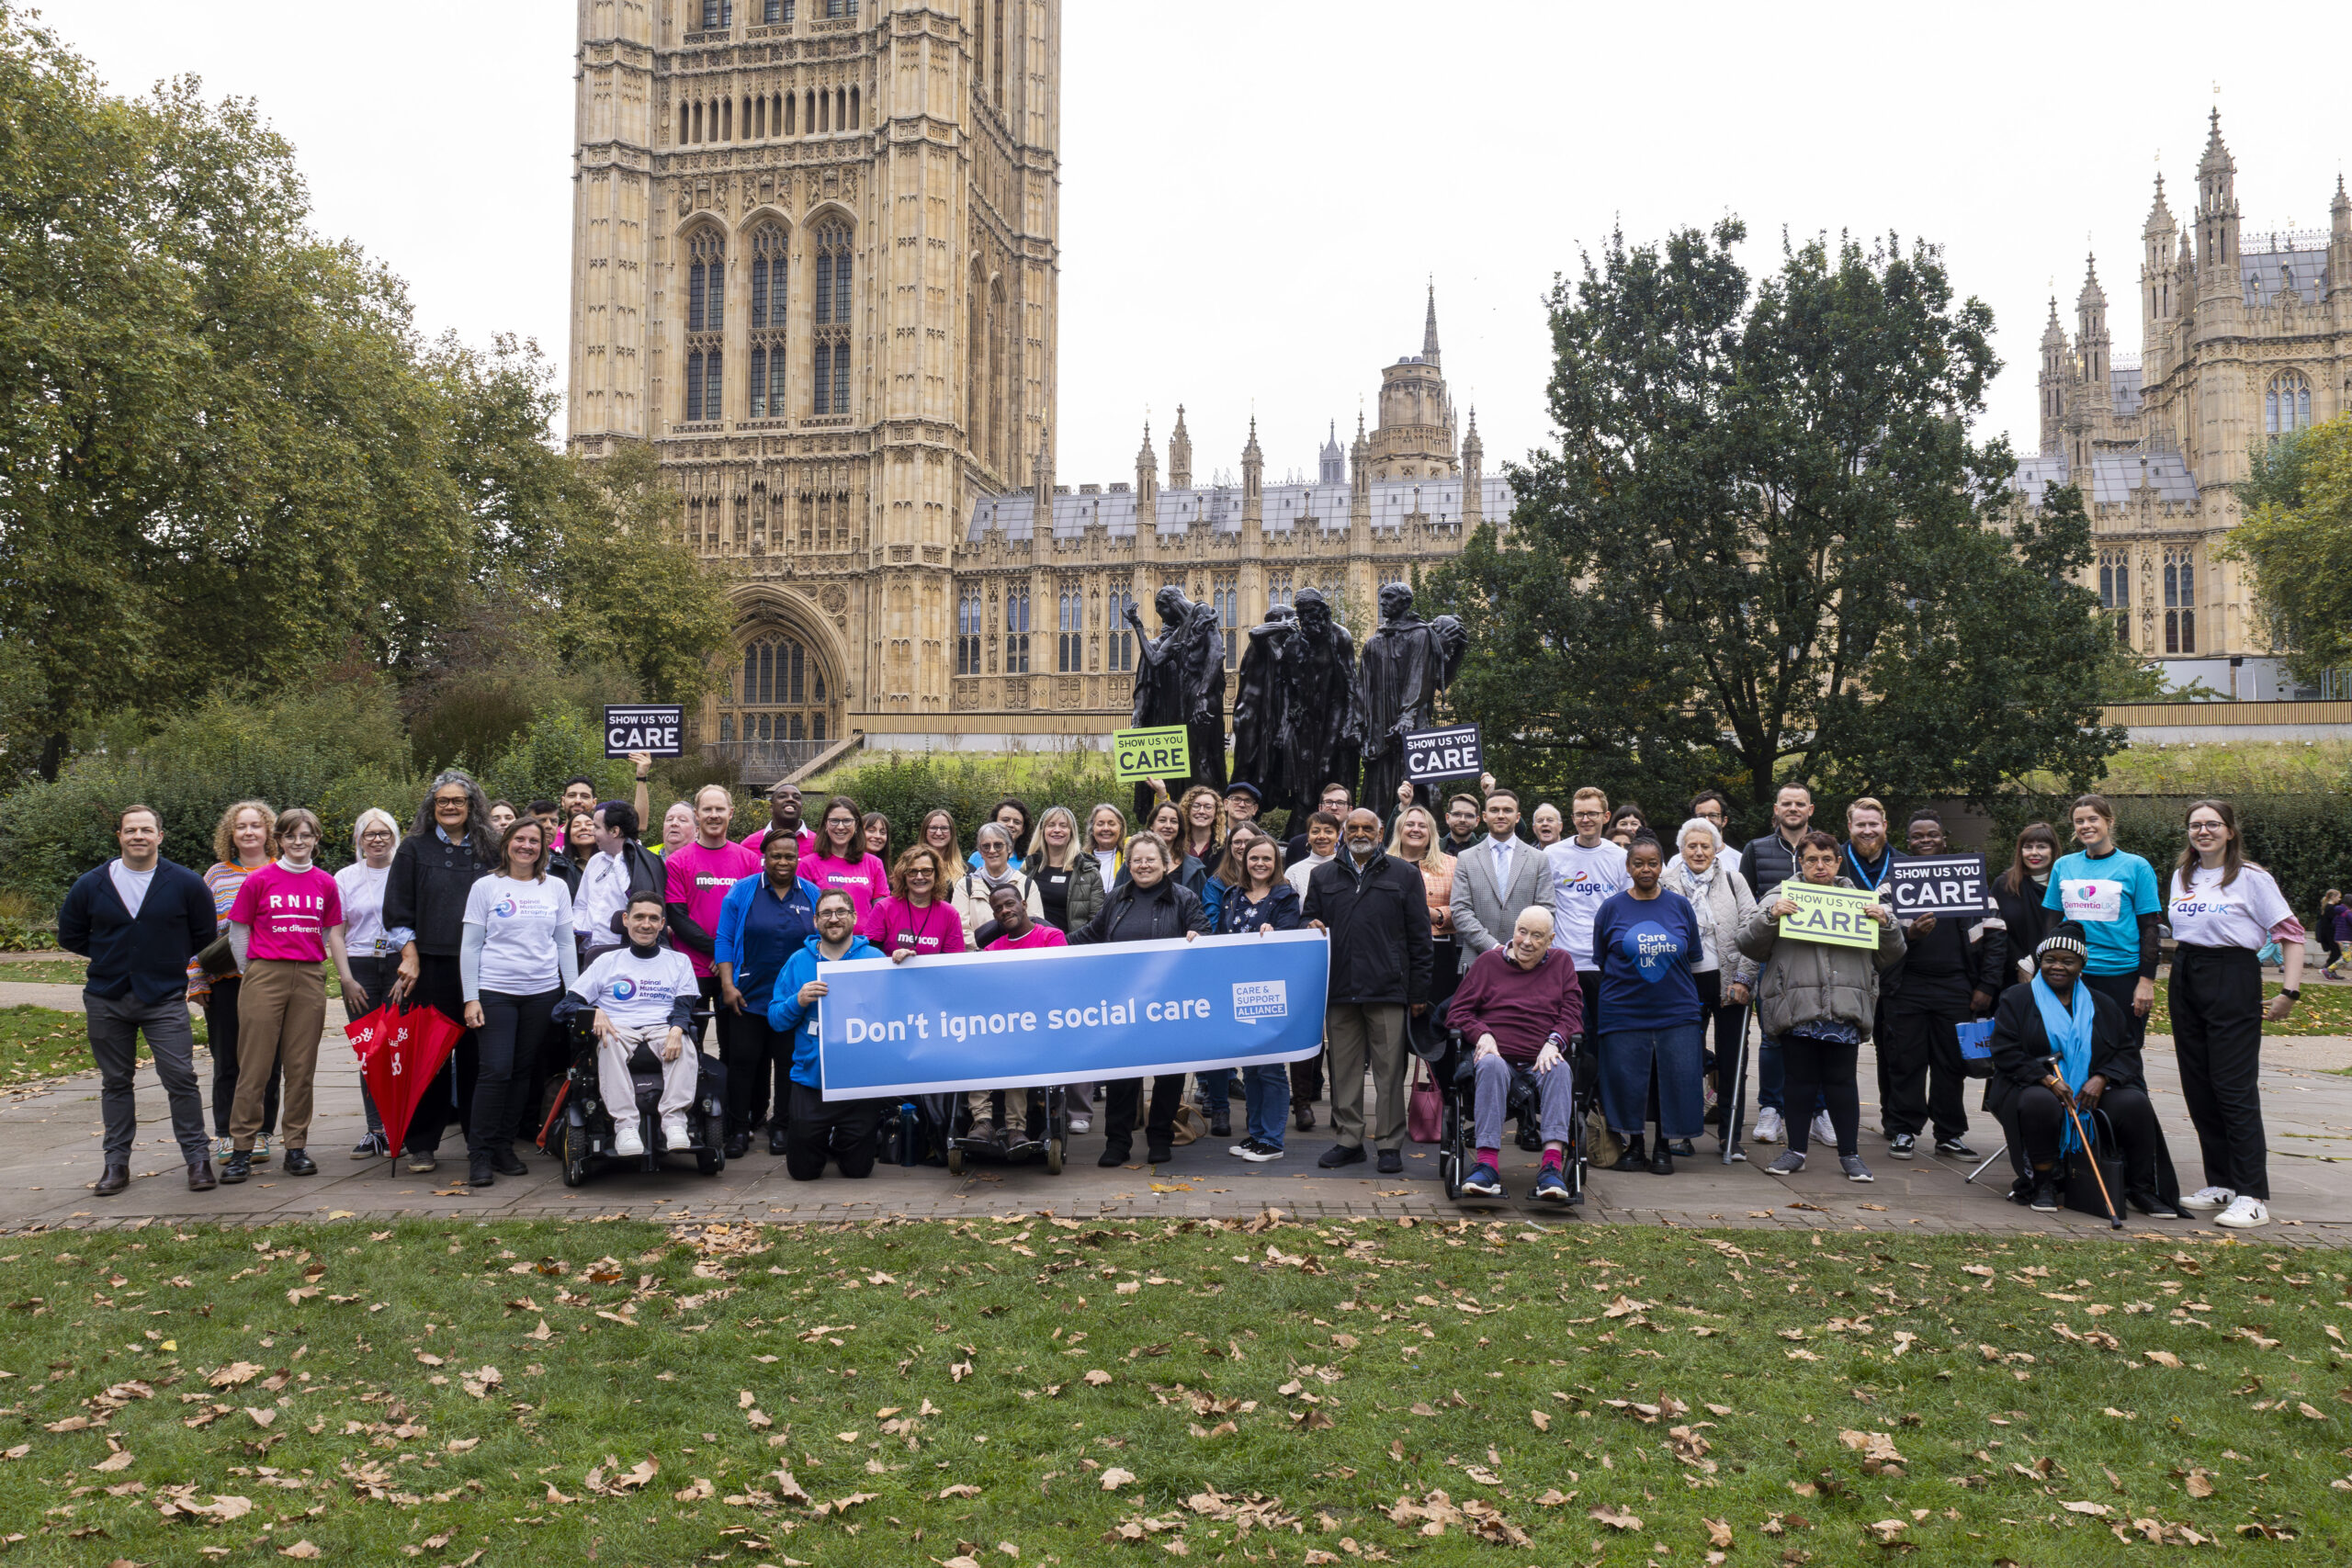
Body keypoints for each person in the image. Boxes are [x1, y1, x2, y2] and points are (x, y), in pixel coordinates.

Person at [59, 805, 220, 1195]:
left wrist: (164, 960)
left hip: (163, 998)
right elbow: (71, 935)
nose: (138, 836)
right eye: (130, 830)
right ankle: (116, 1165)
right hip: (106, 998)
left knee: (180, 1079)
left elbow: (204, 935)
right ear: (119, 836)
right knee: (116, 1082)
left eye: (146, 830)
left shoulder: (183, 883)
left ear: (160, 836)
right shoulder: (91, 884)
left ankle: (197, 1161)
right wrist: (114, 956)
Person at [2165, 799, 2304, 1229]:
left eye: (2212, 824)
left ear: (2229, 831)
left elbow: (2291, 933)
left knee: (2233, 1087)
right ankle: (2221, 1183)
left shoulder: (2251, 878)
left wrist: (2290, 991)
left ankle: (2253, 1195)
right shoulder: (2181, 875)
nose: (2202, 831)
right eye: (2195, 825)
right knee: (2198, 1083)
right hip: (2186, 972)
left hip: (2232, 975)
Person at [1737, 829, 1905, 1181]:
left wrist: (1887, 924)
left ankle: (1851, 1155)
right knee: (1798, 1081)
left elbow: (1891, 955)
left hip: (1844, 1007)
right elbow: (1748, 945)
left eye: (1827, 859)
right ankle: (1795, 1151)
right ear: (1801, 862)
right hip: (1798, 1007)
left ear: (1838, 862)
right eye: (1811, 859)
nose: (1819, 866)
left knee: (1842, 1082)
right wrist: (1771, 917)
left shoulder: (1861, 901)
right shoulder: (1779, 897)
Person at [1985, 922, 2182, 1218]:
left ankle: (2139, 1189)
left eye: (2068, 961)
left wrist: (2102, 1078)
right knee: (2040, 1103)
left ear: (2081, 965)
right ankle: (2043, 1183)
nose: (2058, 967)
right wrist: (2047, 1080)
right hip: (2029, 1084)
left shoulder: (2102, 1004)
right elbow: (2004, 1051)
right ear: (2040, 962)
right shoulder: (2017, 999)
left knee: (2134, 1103)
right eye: (2050, 959)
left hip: (2090, 1089)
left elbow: (2125, 1051)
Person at [219, 808, 360, 1183]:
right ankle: (242, 1150)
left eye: (307, 835)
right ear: (278, 840)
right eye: (291, 836)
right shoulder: (260, 880)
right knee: (255, 1067)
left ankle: (296, 1146)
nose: (299, 842)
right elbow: (238, 932)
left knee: (301, 1067)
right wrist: (254, 973)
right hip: (265, 972)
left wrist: (332, 972)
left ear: (317, 839)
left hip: (310, 976)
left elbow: (333, 932)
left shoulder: (325, 883)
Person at [1304, 807, 1432, 1175]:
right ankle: (1349, 1140)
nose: (1361, 833)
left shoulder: (1405, 874)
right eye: (1354, 827)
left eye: (1368, 828)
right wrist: (1306, 922)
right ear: (1344, 833)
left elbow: (1420, 937)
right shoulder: (1322, 874)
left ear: (1379, 833)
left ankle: (1390, 1143)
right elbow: (1308, 919)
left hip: (1388, 989)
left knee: (1390, 1072)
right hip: (1340, 989)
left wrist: (1418, 991)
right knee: (1342, 1070)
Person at [384, 771, 499, 1173]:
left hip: (482, 969)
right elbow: (397, 911)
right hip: (429, 967)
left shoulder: (490, 849)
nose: (450, 807)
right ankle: (421, 1144)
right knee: (427, 1057)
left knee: (476, 1058)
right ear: (431, 807)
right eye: (442, 801)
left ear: (472, 806)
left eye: (458, 801)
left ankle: (479, 1144)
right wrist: (410, 955)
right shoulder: (414, 849)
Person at [1072, 832, 1210, 1164]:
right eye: (1137, 860)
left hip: (1170, 1003)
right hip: (1124, 1003)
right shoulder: (1117, 898)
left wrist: (1199, 936)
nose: (1144, 865)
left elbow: (1203, 931)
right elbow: (1091, 935)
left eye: (1150, 859)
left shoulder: (1184, 898)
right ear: (1129, 864)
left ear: (1165, 863)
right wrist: (1045, 940)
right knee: (1122, 1074)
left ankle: (1160, 1137)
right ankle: (1117, 1142)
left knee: (1169, 1073)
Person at [458, 818, 578, 1187]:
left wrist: (572, 994)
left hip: (541, 993)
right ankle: (479, 1153)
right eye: (520, 839)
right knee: (495, 1070)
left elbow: (564, 943)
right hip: (495, 991)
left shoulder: (555, 887)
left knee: (523, 1071)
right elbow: (471, 946)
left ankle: (503, 1148)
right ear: (506, 843)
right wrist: (471, 997)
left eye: (535, 841)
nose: (527, 846)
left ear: (544, 848)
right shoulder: (486, 887)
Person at [1879, 809, 2004, 1160]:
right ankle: (1903, 1130)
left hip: (1957, 988)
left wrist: (1987, 986)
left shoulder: (1971, 879)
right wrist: (1910, 934)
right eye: (1917, 836)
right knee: (1906, 1062)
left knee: (1951, 1064)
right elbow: (1877, 933)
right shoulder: (1891, 885)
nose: (1925, 841)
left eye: (1931, 834)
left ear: (1944, 838)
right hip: (1906, 988)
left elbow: (1996, 937)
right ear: (1908, 842)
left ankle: (1949, 1134)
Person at [1451, 905, 1584, 1202]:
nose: (1527, 941)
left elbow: (1573, 1012)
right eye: (1522, 932)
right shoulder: (1487, 963)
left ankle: (1551, 1168)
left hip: (1540, 1058)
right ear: (1513, 931)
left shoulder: (1562, 963)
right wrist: (1483, 1034)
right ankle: (1486, 1166)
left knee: (1560, 1068)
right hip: (1499, 1058)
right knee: (1490, 1065)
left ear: (1550, 940)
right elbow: (1458, 1012)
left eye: (1537, 936)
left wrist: (1555, 1041)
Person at [1589, 838, 1704, 1174]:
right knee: (1626, 1079)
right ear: (1628, 867)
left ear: (1661, 866)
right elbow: (1602, 959)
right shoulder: (1611, 908)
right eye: (1638, 863)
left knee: (1675, 1078)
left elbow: (1693, 954)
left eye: (1653, 863)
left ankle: (1664, 1146)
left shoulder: (1680, 906)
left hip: (1676, 1009)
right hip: (1623, 1009)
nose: (1646, 869)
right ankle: (1635, 1146)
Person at [662, 785, 764, 1156]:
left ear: (731, 813)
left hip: (735, 970)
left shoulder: (748, 860)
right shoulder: (679, 861)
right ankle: (686, 1117)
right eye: (707, 810)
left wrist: (725, 957)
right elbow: (676, 914)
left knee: (736, 1049)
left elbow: (754, 914)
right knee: (686, 1045)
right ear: (698, 815)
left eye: (720, 809)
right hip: (691, 968)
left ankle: (739, 1122)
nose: (714, 816)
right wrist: (714, 951)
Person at [569, 894, 701, 1157]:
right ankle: (626, 1127)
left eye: (653, 918)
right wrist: (593, 1011)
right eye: (639, 917)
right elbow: (565, 1005)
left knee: (684, 1042)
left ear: (662, 923)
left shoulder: (678, 961)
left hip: (661, 1026)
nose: (646, 924)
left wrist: (678, 1028)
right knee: (608, 1041)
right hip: (619, 1027)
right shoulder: (605, 961)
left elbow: (684, 1005)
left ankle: (675, 1122)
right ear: (626, 920)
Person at [716, 831, 823, 1155]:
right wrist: (727, 985)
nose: (783, 862)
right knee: (743, 1062)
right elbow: (723, 939)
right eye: (776, 855)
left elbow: (825, 940)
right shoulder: (743, 891)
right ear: (764, 857)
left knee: (789, 1064)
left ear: (798, 859)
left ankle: (782, 1127)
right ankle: (738, 1128)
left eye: (790, 856)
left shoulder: (812, 894)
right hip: (748, 996)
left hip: (793, 1001)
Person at [768, 891, 886, 1179]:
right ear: (815, 921)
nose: (834, 918)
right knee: (803, 1173)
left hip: (860, 1081)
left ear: (855, 918)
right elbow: (775, 1020)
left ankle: (841, 1140)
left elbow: (896, 1011)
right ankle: (819, 1138)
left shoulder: (874, 958)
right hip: (811, 1078)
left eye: (841, 911)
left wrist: (903, 967)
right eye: (826, 913)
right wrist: (799, 1000)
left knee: (858, 1172)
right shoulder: (798, 961)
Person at [192, 800, 281, 1164]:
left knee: (269, 1061)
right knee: (227, 1060)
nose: (249, 832)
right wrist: (197, 979)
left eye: (256, 826)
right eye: (241, 826)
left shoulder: (285, 870)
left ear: (269, 832)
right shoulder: (215, 876)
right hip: (227, 980)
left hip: (273, 980)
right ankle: (227, 1134)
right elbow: (197, 931)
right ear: (231, 833)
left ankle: (260, 1132)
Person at [1660, 817, 1757, 1154]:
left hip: (1730, 981)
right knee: (1685, 1060)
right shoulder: (1666, 882)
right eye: (1692, 846)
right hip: (1683, 983)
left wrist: (1745, 978)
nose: (1699, 852)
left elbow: (1752, 929)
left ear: (1716, 848)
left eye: (1705, 846)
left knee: (1733, 1060)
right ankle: (1683, 1134)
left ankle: (1731, 1139)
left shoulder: (1734, 880)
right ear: (1681, 849)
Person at [2042, 794, 2162, 1055]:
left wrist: (2146, 981)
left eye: (2093, 819)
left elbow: (2150, 928)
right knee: (2073, 1051)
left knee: (2123, 1053)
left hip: (2121, 977)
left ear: (2109, 822)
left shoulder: (2136, 866)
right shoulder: (2064, 865)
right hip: (2074, 977)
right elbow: (2051, 924)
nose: (2086, 826)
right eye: (2079, 821)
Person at [961, 882, 1069, 1150]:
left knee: (1017, 1052)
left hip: (1039, 1027)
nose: (1004, 911)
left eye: (1009, 904)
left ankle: (1015, 1129)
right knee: (974, 1046)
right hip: (1000, 1026)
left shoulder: (1050, 937)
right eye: (998, 908)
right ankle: (983, 1122)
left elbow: (1059, 983)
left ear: (1023, 905)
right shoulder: (991, 950)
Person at [1218, 835, 1302, 1162]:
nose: (1260, 864)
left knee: (1270, 1067)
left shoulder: (1285, 896)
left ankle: (1272, 1140)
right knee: (1250, 1068)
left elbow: (1291, 938)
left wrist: (1277, 934)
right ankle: (1255, 1135)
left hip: (1270, 992)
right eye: (1254, 858)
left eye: (1267, 859)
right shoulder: (1233, 895)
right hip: (1237, 990)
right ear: (1244, 860)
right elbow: (1223, 938)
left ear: (1276, 863)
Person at [336, 808, 402, 1158]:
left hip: (398, 965)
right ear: (359, 839)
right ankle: (375, 1128)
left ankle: (400, 1125)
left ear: (395, 836)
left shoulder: (406, 871)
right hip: (360, 966)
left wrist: (409, 967)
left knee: (398, 1047)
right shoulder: (345, 877)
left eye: (384, 833)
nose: (377, 839)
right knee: (370, 1049)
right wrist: (345, 978)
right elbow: (335, 930)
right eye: (369, 834)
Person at [1545, 787, 1630, 1043]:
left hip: (1605, 962)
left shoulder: (1620, 857)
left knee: (1605, 1035)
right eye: (1580, 814)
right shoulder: (1552, 855)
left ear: (1606, 816)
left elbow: (1627, 910)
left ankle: (1602, 1084)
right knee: (1570, 1035)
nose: (1586, 820)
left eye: (1592, 813)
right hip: (1564, 961)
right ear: (1572, 818)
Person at [1449, 788, 1554, 980]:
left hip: (1527, 961)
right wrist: (1494, 947)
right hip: (1478, 961)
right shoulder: (1466, 858)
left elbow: (1546, 909)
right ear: (1485, 816)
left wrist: (1521, 945)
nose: (1501, 815)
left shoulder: (1539, 859)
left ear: (1517, 816)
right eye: (1495, 810)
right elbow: (1460, 910)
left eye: (1507, 810)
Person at [574, 799, 664, 968]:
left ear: (615, 831)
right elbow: (581, 905)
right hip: (589, 955)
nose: (593, 833)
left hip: (628, 956)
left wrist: (621, 859)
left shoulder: (646, 864)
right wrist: (578, 928)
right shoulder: (595, 861)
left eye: (597, 827)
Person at [1387, 805, 1461, 1010]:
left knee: (1433, 1018)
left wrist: (1436, 915)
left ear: (1432, 832)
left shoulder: (1452, 864)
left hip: (1439, 952)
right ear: (1399, 829)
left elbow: (1465, 909)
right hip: (1392, 952)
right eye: (1409, 824)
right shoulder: (1382, 865)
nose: (1416, 829)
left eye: (1422, 825)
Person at [861, 845, 967, 959]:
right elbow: (869, 955)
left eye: (926, 871)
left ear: (936, 874)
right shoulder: (884, 908)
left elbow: (954, 960)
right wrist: (891, 958)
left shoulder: (949, 914)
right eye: (912, 871)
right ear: (903, 875)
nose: (919, 877)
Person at [1991, 823, 2064, 984]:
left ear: (2053, 850)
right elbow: (1996, 931)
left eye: (2042, 847)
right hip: (2013, 974)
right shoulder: (2004, 885)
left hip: (2057, 972)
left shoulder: (2064, 886)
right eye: (2028, 847)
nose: (2034, 853)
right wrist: (2020, 964)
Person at [951, 822, 1043, 949]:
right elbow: (960, 931)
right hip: (979, 959)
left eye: (998, 845)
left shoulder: (1027, 885)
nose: (992, 850)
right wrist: (990, 951)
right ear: (980, 852)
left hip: (1018, 957)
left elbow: (1036, 927)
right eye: (986, 846)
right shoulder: (965, 886)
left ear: (1009, 848)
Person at [1024, 805, 1104, 936]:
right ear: (1043, 830)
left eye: (1063, 825)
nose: (1057, 830)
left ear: (1071, 832)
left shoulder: (1089, 872)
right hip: (1035, 947)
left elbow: (1096, 921)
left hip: (1072, 947)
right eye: (1051, 825)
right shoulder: (1029, 868)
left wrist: (1068, 943)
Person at [1287, 784, 1354, 866]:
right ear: (1320, 808)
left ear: (1350, 810)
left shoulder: (1355, 844)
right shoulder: (1297, 845)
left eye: (1340, 803)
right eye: (1328, 802)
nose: (1334, 807)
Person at [743, 782, 816, 856]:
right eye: (782, 796)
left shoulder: (818, 844)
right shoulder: (749, 845)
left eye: (796, 798)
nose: (790, 799)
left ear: (802, 809)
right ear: (771, 807)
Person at [1284, 810, 1340, 898]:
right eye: (1315, 832)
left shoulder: (1348, 869)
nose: (1322, 836)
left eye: (1328, 832)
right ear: (1308, 837)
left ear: (1337, 836)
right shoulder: (1293, 872)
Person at [1172, 784, 1224, 869]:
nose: (1201, 811)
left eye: (1208, 807)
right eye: (1196, 806)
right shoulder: (1175, 843)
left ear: (1216, 813)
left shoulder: (1224, 847)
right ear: (1188, 811)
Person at [1083, 804, 1127, 895]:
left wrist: (1161, 794)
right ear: (1092, 829)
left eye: (1111, 824)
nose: (1106, 828)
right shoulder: (1082, 860)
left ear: (1121, 828)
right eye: (1100, 824)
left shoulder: (1130, 853)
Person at [1439, 794, 1483, 860]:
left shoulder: (1485, 848)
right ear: (1447, 818)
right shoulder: (1433, 847)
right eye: (1457, 814)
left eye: (1469, 816)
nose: (1462, 820)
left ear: (1477, 821)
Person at [2316, 887, 2345, 981]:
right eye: (2338, 897)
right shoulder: (2331, 909)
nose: (2339, 899)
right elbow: (2333, 922)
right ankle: (2328, 969)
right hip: (2330, 935)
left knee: (2335, 953)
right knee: (2337, 953)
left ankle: (2330, 970)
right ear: (2333, 897)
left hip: (2328, 934)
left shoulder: (2326, 907)